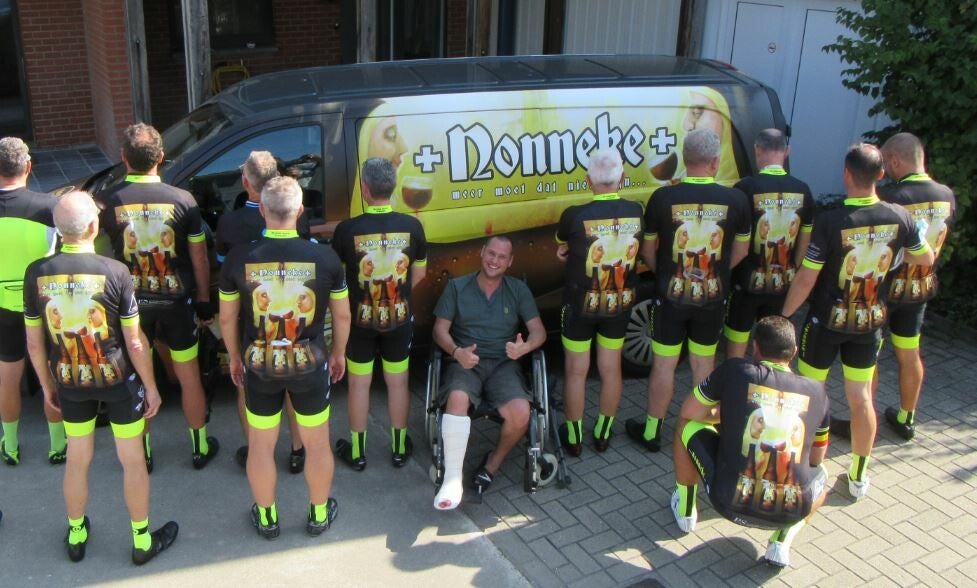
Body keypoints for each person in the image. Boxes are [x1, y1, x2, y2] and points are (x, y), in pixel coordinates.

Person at [23, 191, 178, 564]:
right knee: (132, 458)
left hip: (69, 379)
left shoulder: (36, 273)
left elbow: (34, 341)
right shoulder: (116, 271)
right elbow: (135, 342)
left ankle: (76, 534)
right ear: (94, 227)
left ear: (58, 229)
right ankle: (141, 540)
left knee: (78, 458)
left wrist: (46, 386)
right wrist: (152, 387)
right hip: (119, 381)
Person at [782, 143, 934, 499]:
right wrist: (896, 256)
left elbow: (806, 278)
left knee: (809, 394)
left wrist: (783, 315)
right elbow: (926, 257)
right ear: (881, 174)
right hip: (870, 324)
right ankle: (859, 475)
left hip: (825, 322)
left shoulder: (831, 220)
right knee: (861, 397)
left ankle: (802, 466)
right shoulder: (900, 217)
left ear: (845, 174)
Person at [219, 176, 350, 539]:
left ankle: (266, 518)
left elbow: (226, 318)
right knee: (317, 443)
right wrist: (339, 353)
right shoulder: (325, 258)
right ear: (300, 211)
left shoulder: (239, 258)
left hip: (258, 364)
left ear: (262, 210)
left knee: (261, 446)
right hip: (310, 363)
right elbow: (342, 315)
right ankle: (318, 514)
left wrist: (234, 357)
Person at [98, 123, 219, 471]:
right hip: (177, 302)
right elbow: (199, 257)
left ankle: (144, 453)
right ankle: (199, 447)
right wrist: (202, 298)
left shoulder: (108, 201)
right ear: (161, 158)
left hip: (131, 306)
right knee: (189, 375)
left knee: (137, 377)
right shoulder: (183, 200)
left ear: (123, 157)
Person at [628, 128, 752, 452]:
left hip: (669, 296)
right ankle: (702, 431)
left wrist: (665, 275)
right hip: (712, 296)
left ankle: (651, 432)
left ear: (684, 158)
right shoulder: (736, 200)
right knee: (703, 363)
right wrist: (716, 273)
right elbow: (741, 251)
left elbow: (647, 250)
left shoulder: (662, 198)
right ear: (715, 161)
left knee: (664, 364)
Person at [671, 316, 829, 568]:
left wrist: (726, 417)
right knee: (822, 475)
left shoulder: (735, 369)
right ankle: (780, 543)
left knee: (685, 424)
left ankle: (686, 510)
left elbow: (689, 411)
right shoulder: (817, 391)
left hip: (727, 502)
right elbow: (816, 458)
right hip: (789, 512)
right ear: (794, 352)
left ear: (755, 347)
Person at [431, 235, 546, 510]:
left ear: (510, 262)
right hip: (466, 361)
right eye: (491, 254)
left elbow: (539, 331)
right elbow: (439, 330)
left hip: (504, 364)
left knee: (521, 412)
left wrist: (525, 348)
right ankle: (453, 478)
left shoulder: (518, 290)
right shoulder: (457, 287)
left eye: (501, 257)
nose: (495, 260)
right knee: (457, 399)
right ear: (482, 253)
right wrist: (456, 352)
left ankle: (491, 464)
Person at [215, 151, 308, 472]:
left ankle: (257, 451)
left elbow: (223, 267)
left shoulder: (229, 222)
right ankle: (298, 451)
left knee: (246, 383)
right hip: (291, 311)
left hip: (248, 316)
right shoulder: (295, 215)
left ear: (245, 183)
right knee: (293, 381)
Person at [331, 157, 427, 470]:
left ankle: (357, 453)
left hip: (358, 321)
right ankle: (399, 449)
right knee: (398, 382)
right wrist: (398, 297)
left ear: (365, 189)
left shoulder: (347, 230)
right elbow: (419, 274)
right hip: (399, 318)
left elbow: (336, 280)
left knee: (359, 384)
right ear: (393, 186)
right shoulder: (413, 226)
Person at [555, 148, 643, 456]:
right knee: (611, 368)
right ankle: (603, 434)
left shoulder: (573, 215)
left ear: (587, 180)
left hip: (580, 303)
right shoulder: (636, 211)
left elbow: (563, 245)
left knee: (575, 371)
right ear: (623, 177)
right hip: (619, 302)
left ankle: (574, 438)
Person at [877, 133, 956, 440]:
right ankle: (907, 417)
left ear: (895, 160)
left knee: (869, 356)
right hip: (919, 287)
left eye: (886, 163)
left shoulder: (893, 196)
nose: (885, 170)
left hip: (885, 291)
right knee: (910, 353)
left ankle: (863, 417)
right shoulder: (947, 195)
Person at [0, 137, 66, 466]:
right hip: (43, 304)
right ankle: (58, 444)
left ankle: (10, 445)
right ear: (28, 166)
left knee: (7, 379)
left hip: (2, 306)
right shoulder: (49, 207)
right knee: (49, 375)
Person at [724, 129, 814, 358]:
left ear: (757, 149)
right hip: (783, 283)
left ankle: (736, 378)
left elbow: (735, 242)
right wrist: (793, 270)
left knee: (736, 341)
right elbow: (804, 244)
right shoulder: (803, 190)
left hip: (745, 283)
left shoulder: (744, 188)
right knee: (775, 347)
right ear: (787, 151)